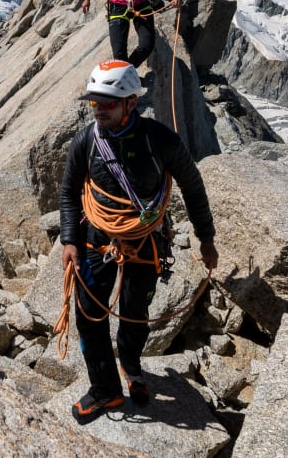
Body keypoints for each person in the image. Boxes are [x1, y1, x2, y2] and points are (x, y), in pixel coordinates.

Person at [59, 59, 218, 424]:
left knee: (135, 313)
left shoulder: (161, 141)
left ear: (131, 102)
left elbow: (193, 188)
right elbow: (69, 192)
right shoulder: (86, 142)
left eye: (108, 103)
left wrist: (206, 239)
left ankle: (131, 367)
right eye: (95, 103)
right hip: (96, 241)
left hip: (145, 240)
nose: (99, 110)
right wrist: (70, 240)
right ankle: (105, 390)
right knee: (90, 316)